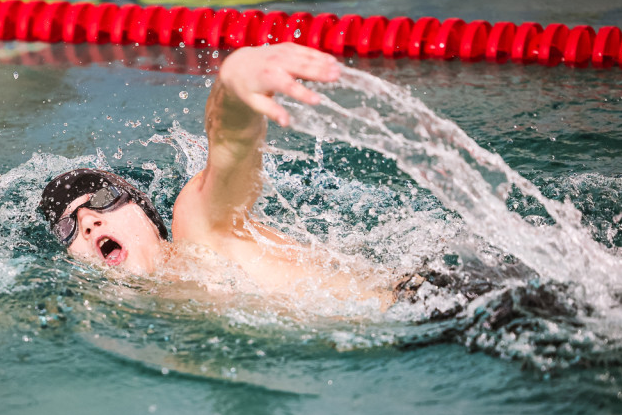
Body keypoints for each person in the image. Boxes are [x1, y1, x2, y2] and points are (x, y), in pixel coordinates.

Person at [38, 43, 397, 309]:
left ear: (146, 214)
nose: (88, 222)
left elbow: (231, 148)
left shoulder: (197, 230)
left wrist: (235, 83)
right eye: (68, 227)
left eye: (104, 201)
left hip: (425, 303)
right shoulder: (167, 310)